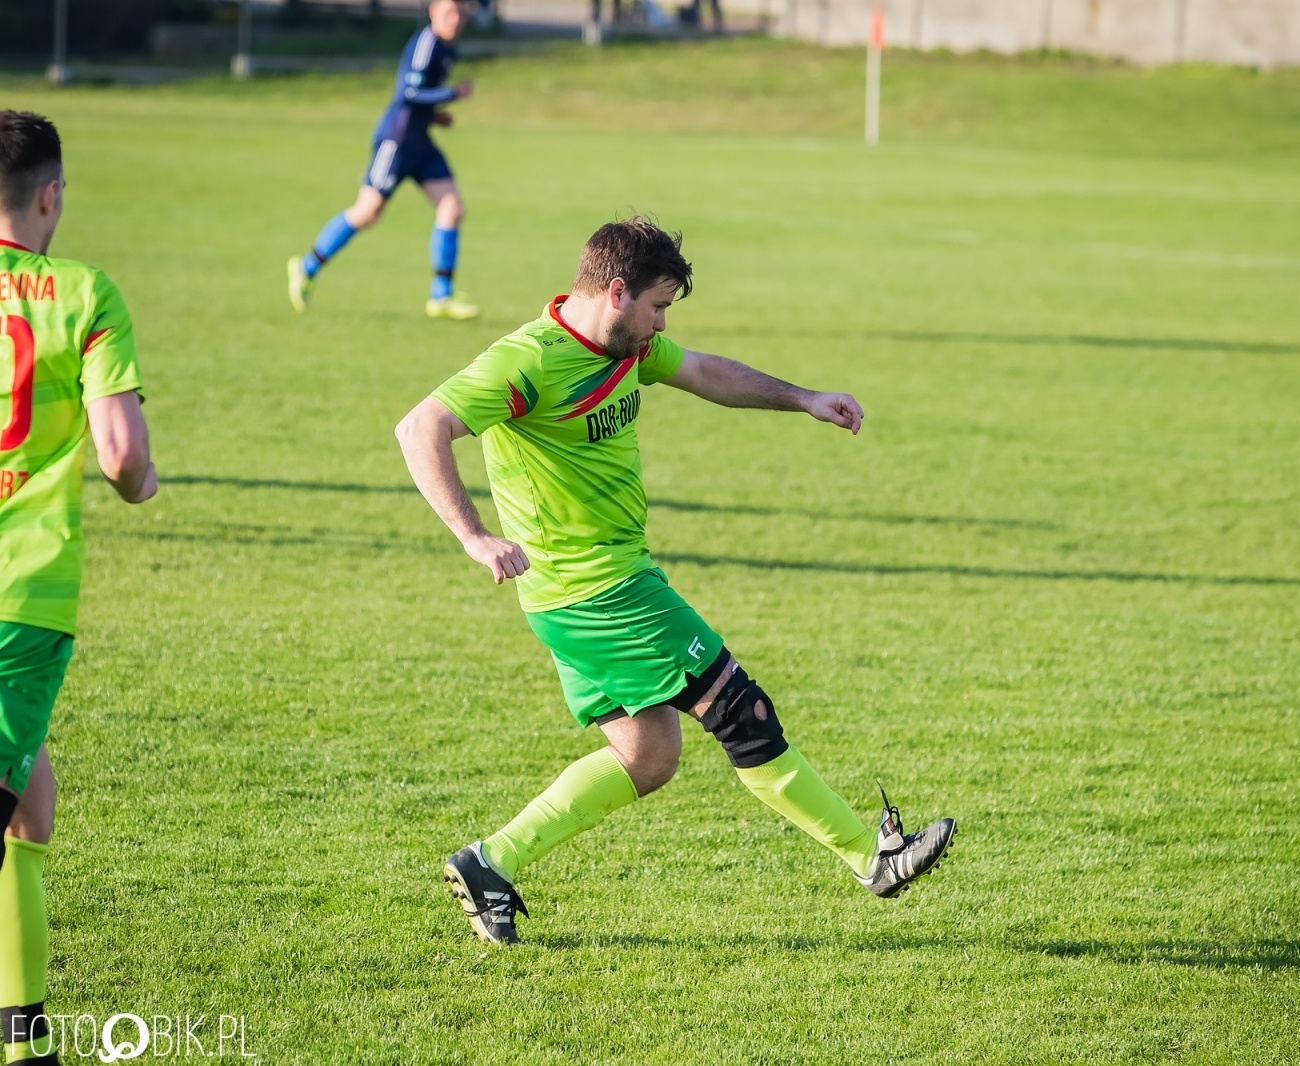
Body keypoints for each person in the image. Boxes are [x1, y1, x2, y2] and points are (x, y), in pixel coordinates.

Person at [395, 219, 955, 944]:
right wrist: (474, 535)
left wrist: (804, 398)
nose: (663, 324)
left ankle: (488, 862)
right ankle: (869, 857)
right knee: (740, 711)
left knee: (649, 757)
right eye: (658, 306)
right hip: (598, 591)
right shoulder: (528, 362)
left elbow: (705, 373)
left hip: (593, 589)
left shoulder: (627, 344)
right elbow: (421, 427)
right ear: (617, 291)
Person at [0, 110, 157, 1061]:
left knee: (30, 803)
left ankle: (25, 1036)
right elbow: (122, 457)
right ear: (51, 195)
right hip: (22, 595)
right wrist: (144, 479)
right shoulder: (84, 293)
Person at [287, 0, 478, 320]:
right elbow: (408, 93)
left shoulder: (447, 48)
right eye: (448, 12)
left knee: (451, 208)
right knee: (367, 212)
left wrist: (434, 117)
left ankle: (440, 296)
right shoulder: (426, 43)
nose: (454, 19)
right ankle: (306, 266)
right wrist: (451, 95)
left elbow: (419, 99)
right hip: (397, 142)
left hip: (421, 144)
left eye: (459, 13)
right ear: (432, 12)